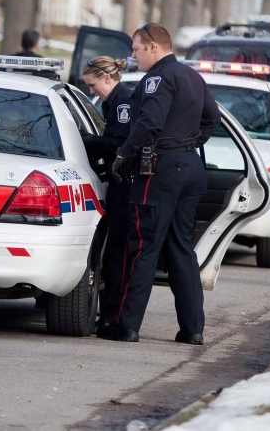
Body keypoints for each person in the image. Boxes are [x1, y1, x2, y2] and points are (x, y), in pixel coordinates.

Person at [98, 23, 219, 345]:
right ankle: (192, 329)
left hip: (159, 170)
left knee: (143, 247)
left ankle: (126, 325)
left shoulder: (157, 79)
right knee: (181, 249)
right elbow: (211, 119)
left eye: (136, 49)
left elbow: (149, 123)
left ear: (153, 46)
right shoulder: (192, 75)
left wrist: (123, 155)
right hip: (190, 166)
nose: (133, 56)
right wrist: (187, 142)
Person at [78, 56, 133, 329]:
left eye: (93, 84)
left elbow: (120, 144)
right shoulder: (113, 101)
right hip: (117, 182)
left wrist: (91, 142)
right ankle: (111, 315)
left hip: (125, 185)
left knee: (117, 254)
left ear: (108, 78)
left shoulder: (123, 103)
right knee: (114, 254)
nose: (91, 91)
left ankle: (114, 317)